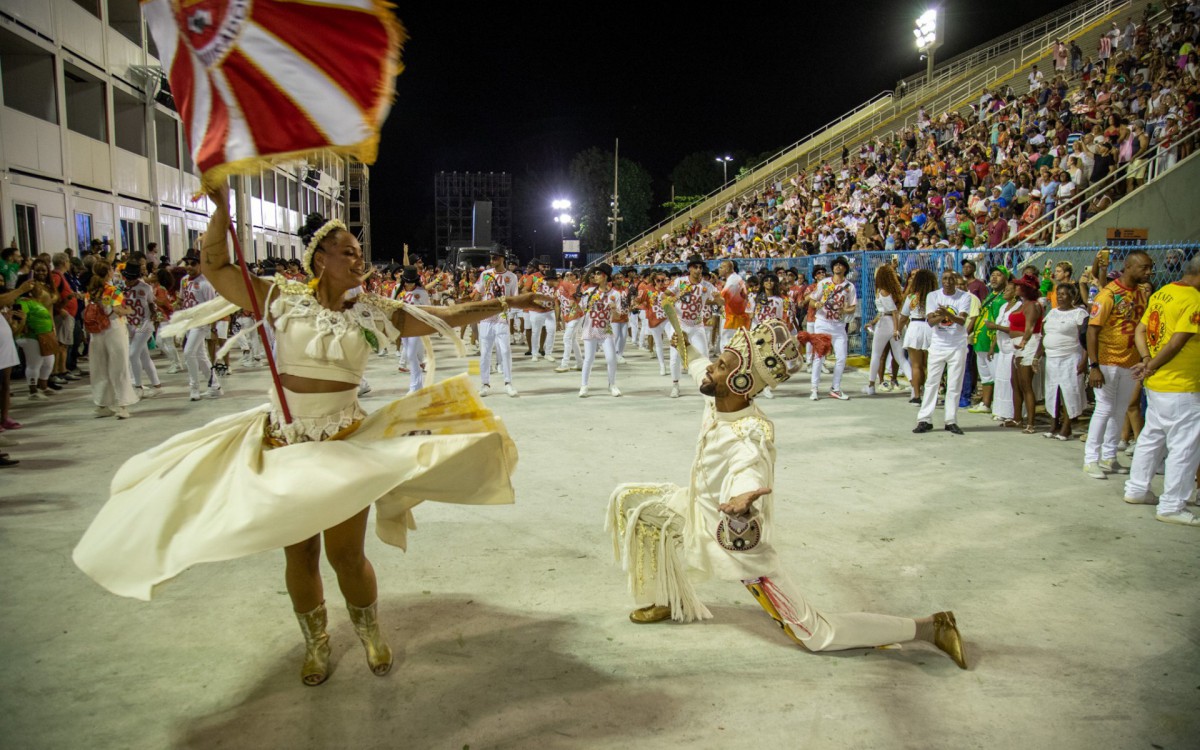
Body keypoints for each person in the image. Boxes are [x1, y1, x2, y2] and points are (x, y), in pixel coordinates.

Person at [73, 191, 550, 687]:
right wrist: (219, 209)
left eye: (360, 253)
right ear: (319, 259)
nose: (358, 259)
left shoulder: (375, 312)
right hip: (284, 444)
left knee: (345, 555)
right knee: (298, 553)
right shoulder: (280, 298)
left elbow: (444, 316)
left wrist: (509, 301)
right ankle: (316, 643)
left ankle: (368, 630)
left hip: (342, 444)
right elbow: (216, 266)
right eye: (347, 252)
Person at [607, 318, 966, 669]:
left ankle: (929, 626)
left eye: (720, 366)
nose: (710, 370)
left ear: (740, 380)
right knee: (633, 503)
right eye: (716, 363)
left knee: (814, 634)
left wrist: (742, 507)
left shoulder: (750, 435)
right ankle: (672, 598)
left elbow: (749, 471)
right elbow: (697, 361)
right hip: (694, 508)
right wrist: (685, 344)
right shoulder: (715, 397)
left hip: (733, 537)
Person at [1124, 257, 1200, 525]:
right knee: (1184, 446)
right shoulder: (1193, 300)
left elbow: (1141, 329)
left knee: (1152, 438)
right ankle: (1172, 505)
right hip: (1181, 384)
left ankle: (1137, 488)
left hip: (1158, 385)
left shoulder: (1164, 292)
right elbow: (1178, 341)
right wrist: (1150, 366)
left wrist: (1146, 361)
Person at [1084, 251, 1153, 479]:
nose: (1149, 272)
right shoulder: (1108, 294)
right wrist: (1094, 365)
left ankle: (1109, 456)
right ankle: (1090, 459)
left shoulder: (1142, 293)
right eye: (1144, 268)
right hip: (1107, 361)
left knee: (1120, 409)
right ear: (1129, 267)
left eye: (1150, 267)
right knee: (1103, 409)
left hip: (1130, 362)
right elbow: (1092, 331)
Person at [914, 270, 974, 435]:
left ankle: (951, 420)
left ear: (956, 281)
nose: (948, 282)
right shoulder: (933, 296)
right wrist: (941, 317)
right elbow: (931, 322)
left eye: (951, 279)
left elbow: (961, 321)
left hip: (957, 346)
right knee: (932, 382)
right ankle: (924, 419)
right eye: (945, 279)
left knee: (954, 384)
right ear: (942, 280)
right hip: (938, 345)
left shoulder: (964, 297)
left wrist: (946, 314)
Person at [85, 261, 138, 419]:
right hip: (114, 329)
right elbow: (116, 310)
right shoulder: (113, 290)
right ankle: (123, 406)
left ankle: (102, 405)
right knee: (119, 367)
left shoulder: (90, 292)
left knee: (99, 367)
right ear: (109, 272)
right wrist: (130, 310)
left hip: (96, 333)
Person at [1037, 283, 1088, 440]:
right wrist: (1036, 356)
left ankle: (1067, 427)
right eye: (1058, 294)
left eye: (1064, 294)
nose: (1060, 297)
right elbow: (1043, 335)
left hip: (1071, 358)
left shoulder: (1080, 314)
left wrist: (1085, 361)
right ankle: (1054, 424)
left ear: (1073, 296)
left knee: (1069, 391)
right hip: (1052, 358)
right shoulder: (1052, 313)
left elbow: (1086, 339)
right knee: (1053, 391)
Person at [666, 256, 717, 399]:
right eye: (695, 267)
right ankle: (675, 385)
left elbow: (719, 300)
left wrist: (717, 298)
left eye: (700, 267)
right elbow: (665, 297)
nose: (698, 270)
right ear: (689, 268)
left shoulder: (707, 286)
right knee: (675, 357)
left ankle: (705, 386)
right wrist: (674, 298)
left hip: (697, 325)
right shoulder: (679, 282)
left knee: (704, 357)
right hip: (679, 324)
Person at [807, 256, 856, 401]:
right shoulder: (824, 283)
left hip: (839, 325)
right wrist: (816, 305)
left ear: (845, 269)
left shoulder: (849, 287)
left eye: (841, 265)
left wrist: (845, 311)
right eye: (836, 265)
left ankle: (835, 388)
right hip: (822, 322)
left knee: (841, 357)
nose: (838, 267)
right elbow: (811, 300)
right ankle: (814, 388)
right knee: (819, 356)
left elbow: (852, 307)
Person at [472, 249, 519, 397]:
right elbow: (478, 293)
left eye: (496, 257)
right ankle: (484, 384)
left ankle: (508, 383)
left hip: (502, 317)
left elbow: (514, 297)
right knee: (485, 352)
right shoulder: (485, 274)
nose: (492, 260)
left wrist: (509, 308)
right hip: (486, 317)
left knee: (505, 351)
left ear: (503, 258)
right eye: (491, 257)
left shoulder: (511, 277)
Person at [178, 252, 221, 402]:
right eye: (187, 263)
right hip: (188, 322)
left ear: (201, 265)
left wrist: (213, 327)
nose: (189, 267)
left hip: (201, 323)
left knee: (189, 352)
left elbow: (212, 307)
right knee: (201, 355)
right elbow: (182, 300)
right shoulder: (184, 281)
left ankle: (194, 387)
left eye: (193, 263)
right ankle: (214, 386)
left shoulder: (206, 284)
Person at [864, 263, 911, 395]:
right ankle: (914, 384)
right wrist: (872, 322)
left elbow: (893, 312)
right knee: (900, 357)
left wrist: (896, 330)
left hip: (886, 323)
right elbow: (885, 312)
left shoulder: (882, 291)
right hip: (888, 321)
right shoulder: (892, 290)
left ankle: (871, 385)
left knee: (876, 355)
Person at [578, 263, 622, 398]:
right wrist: (588, 305)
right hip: (590, 327)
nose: (595, 276)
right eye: (594, 274)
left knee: (611, 358)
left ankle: (612, 384)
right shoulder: (589, 292)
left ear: (605, 276)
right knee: (589, 358)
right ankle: (584, 385)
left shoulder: (615, 294)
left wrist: (614, 309)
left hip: (605, 329)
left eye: (598, 274)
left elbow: (618, 316)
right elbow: (581, 309)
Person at [123, 264, 162, 399]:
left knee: (132, 354)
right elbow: (115, 302)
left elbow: (152, 303)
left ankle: (138, 386)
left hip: (144, 324)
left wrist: (154, 314)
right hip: (129, 325)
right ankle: (156, 385)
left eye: (132, 278)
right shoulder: (120, 288)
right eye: (127, 277)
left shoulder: (145, 288)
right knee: (144, 356)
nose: (129, 280)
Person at [901, 269, 937, 404]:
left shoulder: (911, 297)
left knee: (915, 366)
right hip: (930, 328)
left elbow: (903, 317)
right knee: (929, 365)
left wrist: (898, 330)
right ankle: (930, 395)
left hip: (914, 328)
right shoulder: (934, 297)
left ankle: (916, 395)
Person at [395, 266, 430, 394]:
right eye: (407, 281)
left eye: (412, 282)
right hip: (403, 326)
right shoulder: (398, 290)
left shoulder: (422, 292)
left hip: (416, 326)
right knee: (411, 355)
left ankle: (414, 385)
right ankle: (417, 384)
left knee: (410, 354)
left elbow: (428, 309)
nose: (409, 284)